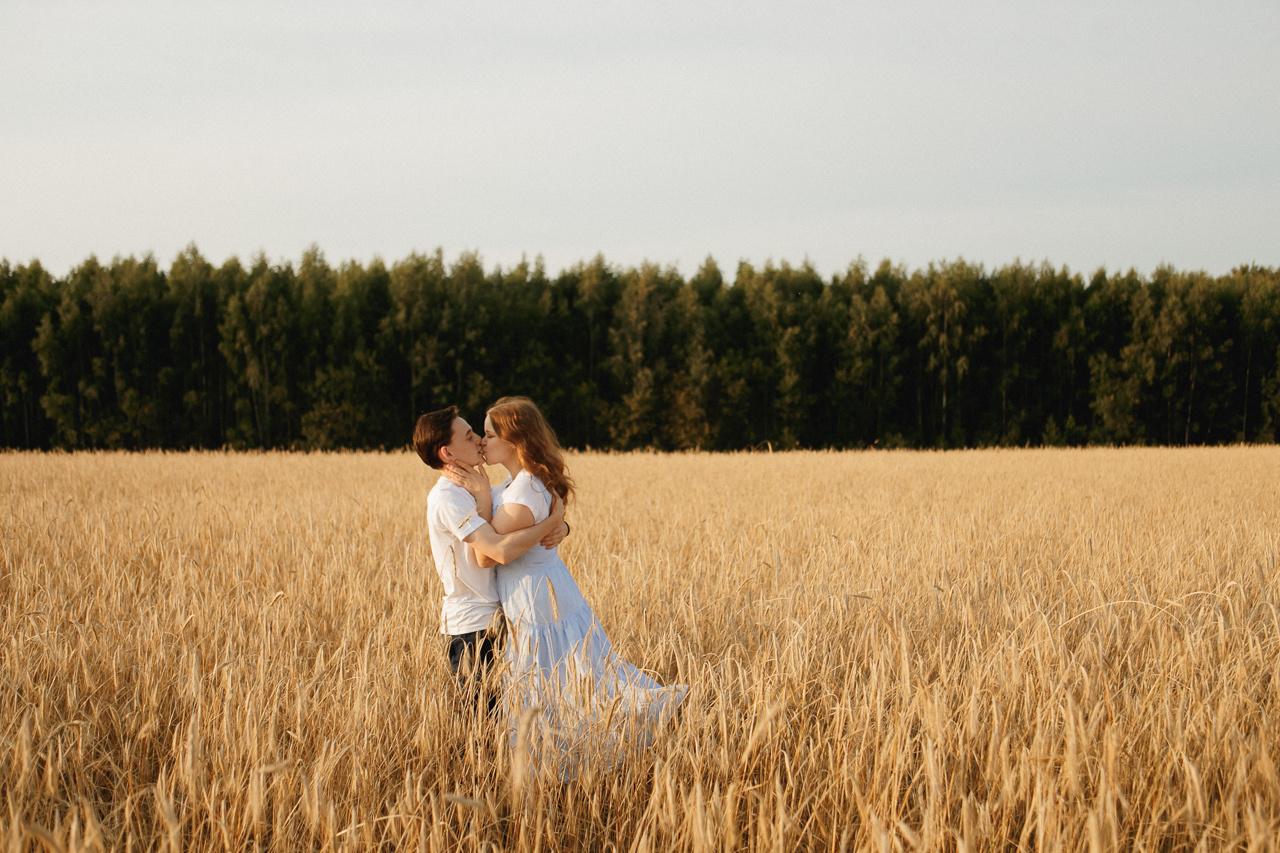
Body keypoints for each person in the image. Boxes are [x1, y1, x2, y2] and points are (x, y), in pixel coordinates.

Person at [443, 396, 687, 777]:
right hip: (544, 594)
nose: (482, 442)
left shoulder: (524, 490)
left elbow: (486, 557)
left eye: (489, 435)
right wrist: (558, 523)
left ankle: (592, 751)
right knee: (568, 683)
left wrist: (482, 498)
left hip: (538, 602)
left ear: (515, 440)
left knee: (563, 687)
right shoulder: (517, 482)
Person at [413, 406, 567, 715]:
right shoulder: (448, 498)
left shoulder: (474, 488)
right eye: (469, 436)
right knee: (482, 724)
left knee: (506, 720)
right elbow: (496, 552)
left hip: (496, 619)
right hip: (471, 627)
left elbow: (521, 510)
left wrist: (562, 528)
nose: (479, 441)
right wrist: (553, 521)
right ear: (447, 452)